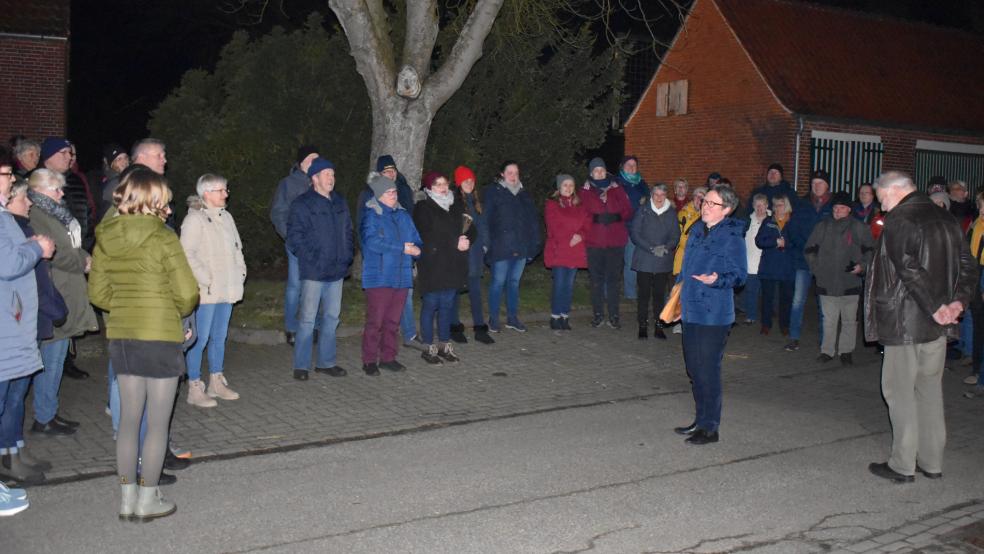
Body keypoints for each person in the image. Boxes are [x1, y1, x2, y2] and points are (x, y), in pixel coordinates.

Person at [88, 167, 199, 520]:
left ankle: (127, 497)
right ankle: (148, 499)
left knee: (129, 421)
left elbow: (98, 294)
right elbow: (187, 294)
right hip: (160, 336)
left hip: (123, 335)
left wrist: (125, 306)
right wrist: (169, 310)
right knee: (157, 423)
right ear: (153, 200)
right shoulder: (163, 237)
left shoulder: (106, 236)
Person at [864, 170, 976, 483]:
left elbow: (908, 268)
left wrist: (937, 307)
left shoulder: (901, 218)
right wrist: (957, 303)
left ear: (894, 190)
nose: (882, 207)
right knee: (929, 391)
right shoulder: (946, 218)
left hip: (906, 321)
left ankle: (902, 464)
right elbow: (968, 265)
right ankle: (932, 461)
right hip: (937, 324)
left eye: (882, 198)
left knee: (899, 391)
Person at [0, 181, 64, 485]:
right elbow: (11, 265)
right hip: (13, 323)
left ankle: (14, 449)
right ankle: (8, 456)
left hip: (22, 321)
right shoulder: (9, 225)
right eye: (24, 198)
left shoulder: (16, 226)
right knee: (11, 396)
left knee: (16, 395)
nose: (29, 203)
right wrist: (36, 247)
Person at [27, 169, 99, 435]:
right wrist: (83, 262)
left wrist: (84, 256)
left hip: (67, 288)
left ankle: (48, 412)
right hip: (57, 292)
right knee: (52, 358)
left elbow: (70, 246)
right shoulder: (37, 215)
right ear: (39, 190)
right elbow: (55, 253)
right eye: (55, 189)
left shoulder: (55, 213)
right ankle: (44, 416)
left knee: (56, 357)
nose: (61, 194)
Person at [673, 185, 747, 445]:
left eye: (712, 203)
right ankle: (700, 420)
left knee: (708, 370)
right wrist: (677, 295)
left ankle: (710, 427)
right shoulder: (696, 229)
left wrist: (717, 279)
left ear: (726, 210)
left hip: (714, 314)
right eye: (705, 201)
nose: (705, 206)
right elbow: (686, 268)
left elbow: (739, 275)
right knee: (694, 368)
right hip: (691, 309)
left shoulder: (731, 236)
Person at [180, 174, 246, 408]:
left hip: (227, 288)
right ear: (206, 193)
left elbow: (237, 248)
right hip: (206, 292)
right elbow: (186, 254)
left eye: (226, 189)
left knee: (219, 337)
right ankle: (194, 386)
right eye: (221, 190)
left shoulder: (226, 217)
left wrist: (240, 272)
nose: (226, 194)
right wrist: (205, 278)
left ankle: (216, 381)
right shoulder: (194, 220)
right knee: (199, 339)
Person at [286, 157, 353, 381]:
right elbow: (295, 238)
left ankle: (326, 362)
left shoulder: (340, 201)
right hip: (314, 271)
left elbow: (348, 231)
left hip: (337, 270)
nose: (331, 178)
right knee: (307, 319)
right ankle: (301, 365)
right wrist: (312, 258)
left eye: (333, 174)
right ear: (314, 178)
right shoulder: (302, 204)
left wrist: (347, 255)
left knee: (332, 317)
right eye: (326, 174)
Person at [804, 191, 875, 365]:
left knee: (849, 320)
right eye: (835, 208)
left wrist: (862, 266)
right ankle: (827, 351)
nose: (837, 211)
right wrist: (818, 269)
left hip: (850, 281)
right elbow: (809, 249)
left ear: (849, 209)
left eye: (841, 208)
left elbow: (870, 250)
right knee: (829, 320)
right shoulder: (822, 226)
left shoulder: (859, 227)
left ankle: (846, 351)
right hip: (826, 282)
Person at [360, 174, 420, 375]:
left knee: (393, 321)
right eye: (388, 192)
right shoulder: (372, 215)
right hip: (379, 277)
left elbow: (416, 239)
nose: (393, 195)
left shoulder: (403, 215)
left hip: (402, 276)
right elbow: (372, 243)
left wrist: (418, 249)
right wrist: (401, 248)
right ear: (378, 195)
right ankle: (369, 360)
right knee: (375, 322)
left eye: (394, 191)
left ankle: (388, 357)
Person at [413, 172, 475, 363]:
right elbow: (427, 235)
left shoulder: (455, 205)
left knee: (447, 305)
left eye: (445, 184)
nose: (442, 187)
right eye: (437, 184)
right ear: (429, 187)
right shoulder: (423, 207)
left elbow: (471, 228)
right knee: (431, 305)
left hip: (452, 263)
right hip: (433, 263)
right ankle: (428, 346)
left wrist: (467, 240)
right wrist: (455, 242)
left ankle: (444, 344)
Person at [482, 161, 541, 333]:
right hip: (500, 246)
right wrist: (486, 243)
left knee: (514, 283)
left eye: (516, 172)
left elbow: (533, 221)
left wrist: (535, 244)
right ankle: (493, 319)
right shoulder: (494, 192)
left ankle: (512, 318)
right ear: (502, 174)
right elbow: (486, 220)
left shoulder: (524, 195)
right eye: (509, 172)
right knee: (498, 282)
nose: (513, 176)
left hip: (521, 246)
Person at [269, 145, 319, 345]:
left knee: (316, 284)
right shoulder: (288, 184)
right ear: (301, 162)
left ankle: (312, 326)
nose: (315, 162)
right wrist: (290, 236)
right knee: (295, 286)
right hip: (297, 243)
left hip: (318, 244)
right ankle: (291, 328)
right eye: (311, 158)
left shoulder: (320, 181)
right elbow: (278, 212)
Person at [783, 169, 834, 352]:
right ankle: (794, 337)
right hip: (803, 260)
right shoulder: (802, 204)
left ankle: (824, 341)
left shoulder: (834, 206)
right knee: (798, 301)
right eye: (814, 183)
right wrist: (806, 247)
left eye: (820, 183)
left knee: (824, 303)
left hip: (824, 262)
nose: (816, 186)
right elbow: (793, 229)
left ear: (827, 185)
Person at [581, 157, 633, 329]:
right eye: (596, 171)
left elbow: (628, 210)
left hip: (615, 241)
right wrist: (595, 219)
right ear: (591, 173)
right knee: (596, 280)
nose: (599, 173)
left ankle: (614, 315)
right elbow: (582, 213)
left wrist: (615, 216)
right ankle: (598, 314)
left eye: (602, 170)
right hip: (594, 242)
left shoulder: (617, 188)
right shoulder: (585, 190)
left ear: (606, 171)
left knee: (613, 280)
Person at [449, 166, 493, 344]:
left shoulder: (477, 202)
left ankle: (479, 328)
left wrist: (485, 245)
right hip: (460, 253)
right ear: (459, 183)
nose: (469, 183)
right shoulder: (454, 202)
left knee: (475, 291)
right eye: (465, 180)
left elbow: (484, 225)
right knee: (456, 291)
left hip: (476, 254)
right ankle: (454, 326)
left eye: (471, 180)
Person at [630, 183, 680, 339]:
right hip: (644, 258)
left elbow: (675, 235)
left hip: (662, 259)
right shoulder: (643, 210)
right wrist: (651, 248)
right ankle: (642, 325)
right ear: (651, 195)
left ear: (666, 196)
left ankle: (659, 326)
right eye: (656, 194)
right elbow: (635, 233)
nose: (659, 197)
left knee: (659, 295)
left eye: (662, 194)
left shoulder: (671, 213)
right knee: (644, 294)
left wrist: (666, 247)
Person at [544, 174, 589, 331]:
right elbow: (554, 227)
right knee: (559, 284)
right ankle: (555, 316)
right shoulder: (552, 204)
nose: (568, 188)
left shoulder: (580, 205)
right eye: (565, 185)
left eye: (571, 185)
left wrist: (580, 235)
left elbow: (587, 224)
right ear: (559, 187)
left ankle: (564, 315)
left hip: (575, 250)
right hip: (559, 249)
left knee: (569, 285)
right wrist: (572, 234)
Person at [755, 195, 795, 336]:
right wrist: (775, 242)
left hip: (787, 266)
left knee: (786, 298)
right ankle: (766, 324)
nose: (778, 208)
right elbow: (759, 241)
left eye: (781, 205)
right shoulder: (768, 221)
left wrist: (786, 244)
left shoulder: (793, 221)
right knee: (767, 298)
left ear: (787, 206)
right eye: (776, 205)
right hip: (769, 265)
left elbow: (799, 241)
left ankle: (784, 325)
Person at [671, 186, 705, 334]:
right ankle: (678, 322)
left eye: (702, 197)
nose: (699, 200)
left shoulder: (708, 215)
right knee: (680, 292)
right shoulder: (684, 213)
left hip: (700, 261)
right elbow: (681, 237)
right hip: (684, 258)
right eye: (697, 196)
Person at [616, 156, 648, 301]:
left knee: (634, 261)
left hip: (638, 227)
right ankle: (622, 292)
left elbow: (649, 200)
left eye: (634, 165)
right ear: (622, 167)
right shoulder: (617, 183)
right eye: (628, 165)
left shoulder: (642, 183)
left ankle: (632, 292)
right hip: (621, 227)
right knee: (622, 261)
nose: (631, 167)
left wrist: (646, 201)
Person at [966, 191, 984, 398]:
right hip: (976, 272)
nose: (981, 210)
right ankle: (977, 370)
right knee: (978, 325)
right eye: (980, 206)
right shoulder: (976, 224)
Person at [742, 194, 769, 325]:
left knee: (767, 293)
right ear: (753, 206)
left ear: (767, 205)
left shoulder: (772, 220)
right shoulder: (748, 221)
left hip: (767, 263)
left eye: (762, 205)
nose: (759, 208)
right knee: (751, 291)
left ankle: (767, 317)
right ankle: (751, 315)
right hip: (751, 263)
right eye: (757, 205)